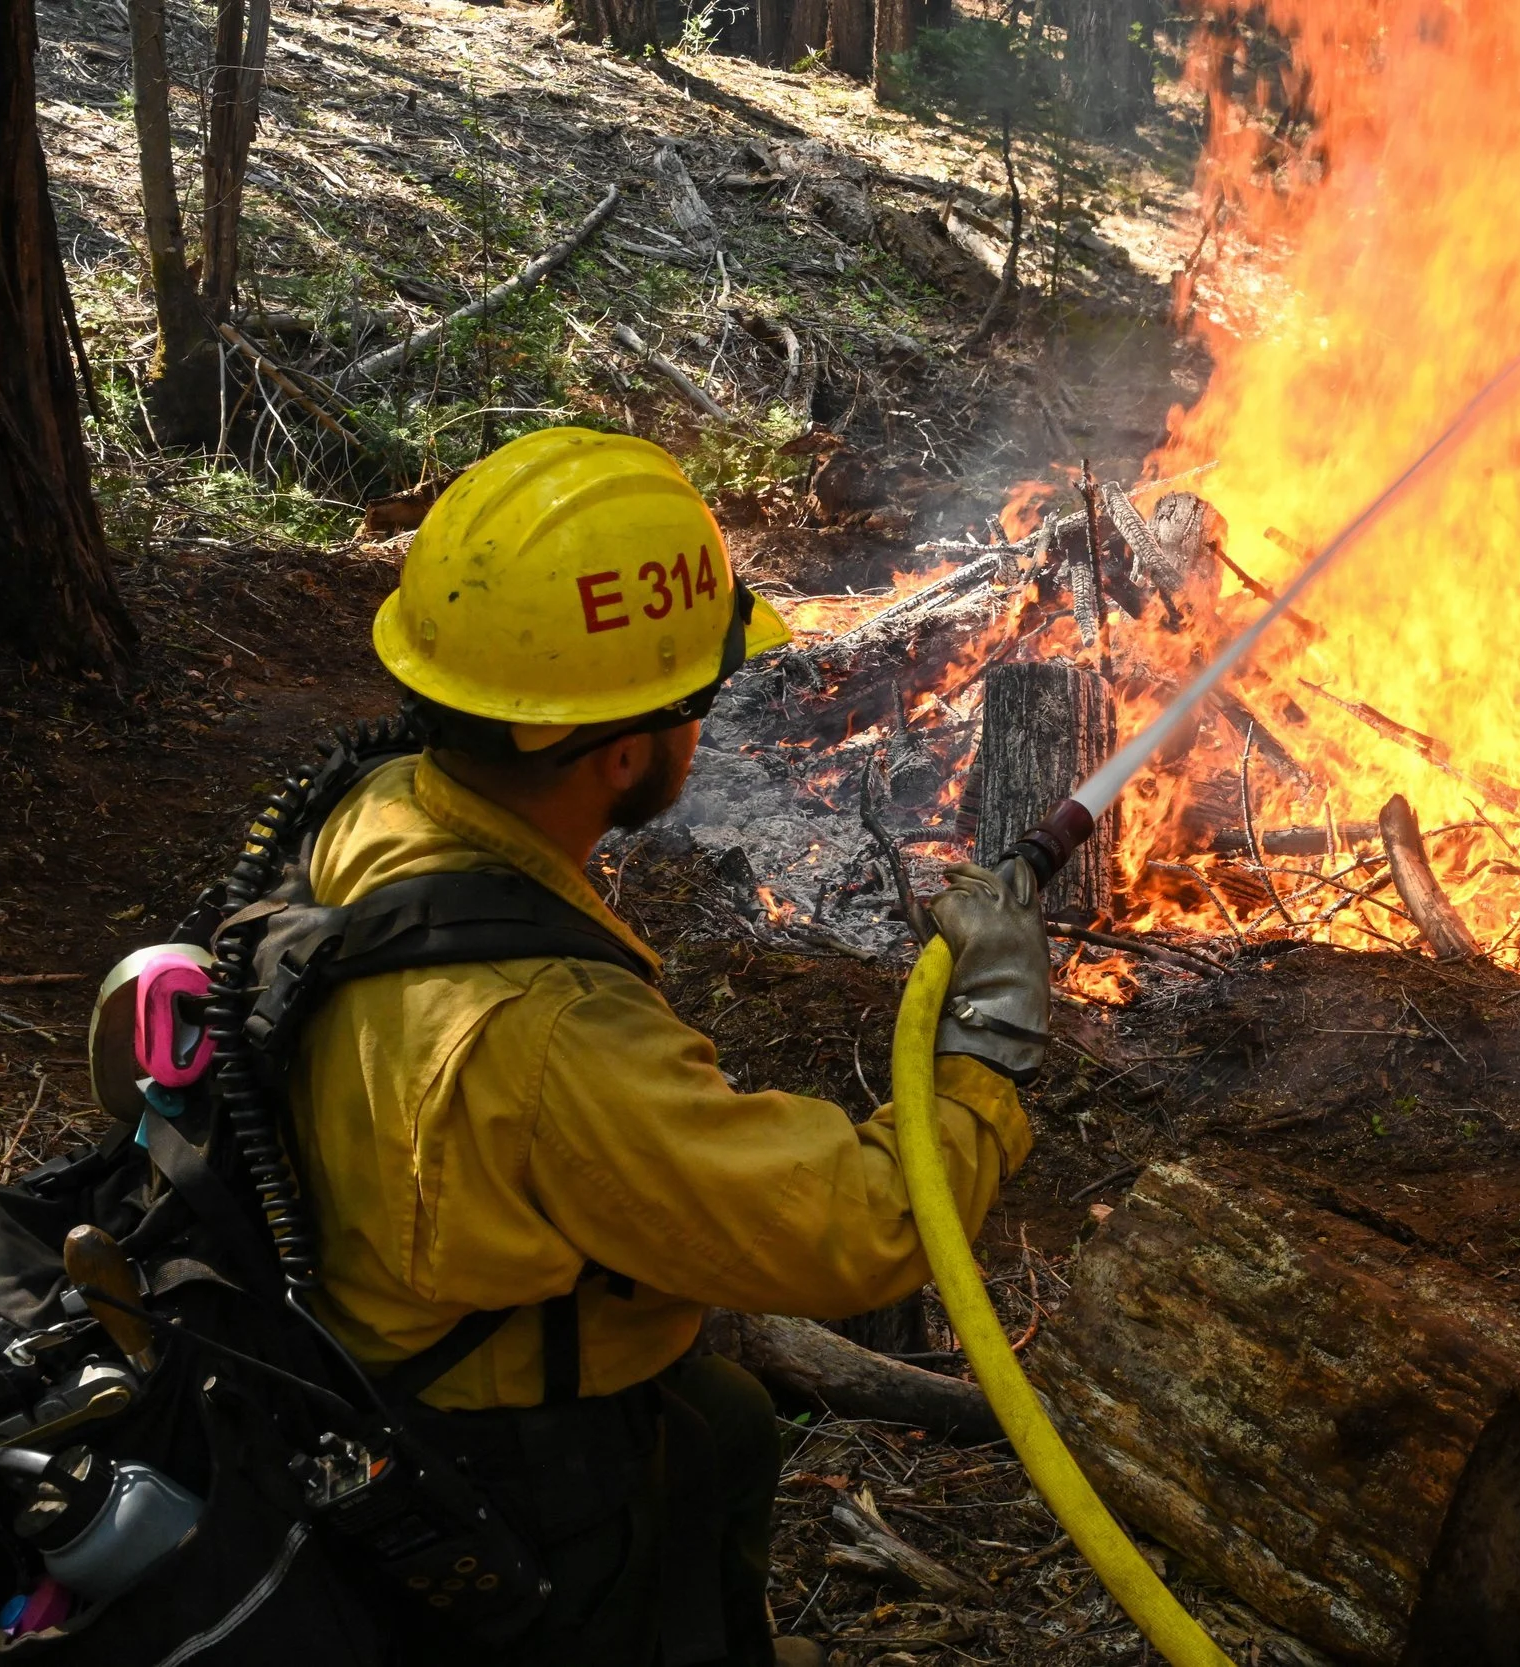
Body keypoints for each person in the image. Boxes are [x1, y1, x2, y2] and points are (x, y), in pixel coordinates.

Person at [288, 427, 1050, 1666]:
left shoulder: (388, 809)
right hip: (494, 1458)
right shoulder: (547, 1034)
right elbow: (857, 1229)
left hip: (377, 1337)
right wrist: (990, 1042)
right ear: (628, 746)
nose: (706, 729)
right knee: (684, 1456)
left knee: (725, 1418)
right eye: (692, 700)